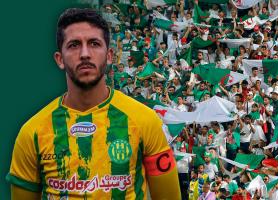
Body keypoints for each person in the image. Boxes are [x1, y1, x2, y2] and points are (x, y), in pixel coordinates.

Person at [6, 8, 180, 200]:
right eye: (73, 45)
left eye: (94, 44)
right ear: (59, 59)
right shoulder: (32, 132)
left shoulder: (146, 121)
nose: (85, 54)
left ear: (109, 56)